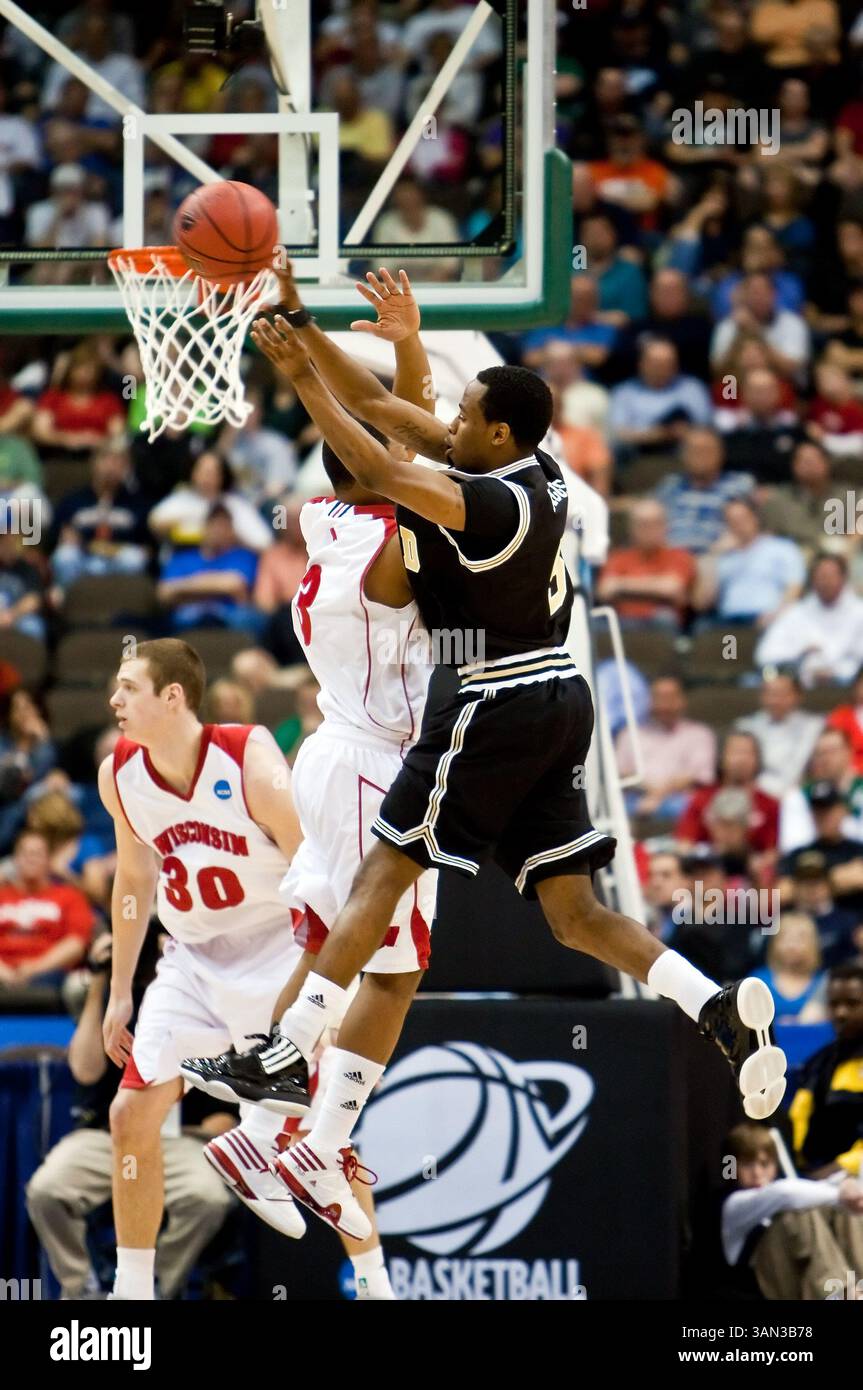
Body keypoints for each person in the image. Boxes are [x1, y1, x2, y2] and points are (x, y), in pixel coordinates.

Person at [181, 262, 787, 1242]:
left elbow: (377, 464)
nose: (449, 419)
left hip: (492, 700)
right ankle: (707, 1001)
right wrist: (319, 328)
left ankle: (288, 1053)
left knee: (386, 872)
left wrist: (296, 378)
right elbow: (387, 407)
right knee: (572, 912)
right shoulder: (526, 469)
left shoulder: (470, 504)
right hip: (561, 698)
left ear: (494, 433)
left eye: (465, 412)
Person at [98, 637, 308, 1300]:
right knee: (130, 1114)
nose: (113, 699)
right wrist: (120, 993)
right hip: (190, 960)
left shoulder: (247, 755)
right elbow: (133, 882)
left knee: (327, 1138)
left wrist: (323, 974)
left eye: (128, 687)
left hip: (275, 950)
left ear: (171, 696)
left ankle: (371, 1277)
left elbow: (312, 863)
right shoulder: (119, 774)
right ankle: (131, 1298)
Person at [25, 926, 237, 1301]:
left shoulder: (207, 1005)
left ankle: (156, 1286)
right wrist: (101, 982)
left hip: (178, 1137)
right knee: (46, 1190)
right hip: (103, 1138)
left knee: (207, 1199)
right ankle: (82, 1289)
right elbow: (85, 1070)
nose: (150, 956)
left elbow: (224, 1117)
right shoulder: (115, 1001)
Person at [720, 1122, 863, 1301]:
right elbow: (785, 1193)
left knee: (842, 1208)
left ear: (774, 1165)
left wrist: (845, 1188)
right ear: (731, 1167)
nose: (757, 1173)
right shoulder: (735, 1204)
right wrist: (839, 1194)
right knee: (798, 1212)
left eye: (764, 1164)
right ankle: (842, 1296)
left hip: (803, 1280)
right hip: (769, 1284)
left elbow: (813, 1190)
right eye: (747, 1165)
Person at [789, 962, 863, 1181]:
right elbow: (798, 1123)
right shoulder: (817, 1063)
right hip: (815, 1177)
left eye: (852, 1004)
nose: (841, 1013)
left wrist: (837, 1169)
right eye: (834, 1004)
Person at [0, 829, 93, 993]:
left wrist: (36, 967)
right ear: (15, 859)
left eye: (36, 854)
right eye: (25, 853)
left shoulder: (69, 896)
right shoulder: (2, 895)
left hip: (52, 973)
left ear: (48, 860)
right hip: (3, 971)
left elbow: (76, 944)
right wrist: (4, 972)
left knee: (80, 984)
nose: (30, 859)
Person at [755, 553, 863, 687]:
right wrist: (801, 654)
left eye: (830, 576)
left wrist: (837, 670)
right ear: (812, 580)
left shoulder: (859, 612)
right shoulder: (795, 612)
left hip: (850, 683)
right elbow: (765, 655)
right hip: (801, 683)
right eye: (820, 577)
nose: (825, 582)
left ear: (843, 578)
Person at [615, 675, 716, 818]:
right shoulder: (629, 734)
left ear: (682, 700)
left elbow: (698, 775)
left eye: (670, 698)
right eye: (658, 698)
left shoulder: (700, 734)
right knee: (616, 810)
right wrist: (650, 791)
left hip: (680, 800)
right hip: (637, 798)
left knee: (694, 806)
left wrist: (658, 795)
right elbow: (622, 773)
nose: (664, 705)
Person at [596, 500, 696, 630]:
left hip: (661, 623)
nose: (649, 530)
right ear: (631, 528)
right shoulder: (618, 557)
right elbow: (605, 590)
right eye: (643, 524)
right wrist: (655, 587)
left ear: (666, 526)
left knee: (664, 617)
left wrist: (621, 585)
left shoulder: (679, 556)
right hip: (622, 621)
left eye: (655, 523)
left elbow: (672, 588)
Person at [652, 428, 753, 555]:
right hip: (671, 558)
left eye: (706, 451)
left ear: (721, 454)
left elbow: (748, 528)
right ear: (683, 455)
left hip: (719, 556)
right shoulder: (669, 485)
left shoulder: (739, 484)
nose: (700, 456)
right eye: (694, 451)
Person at [734, 672, 823, 798]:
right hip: (757, 795)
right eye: (770, 694)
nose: (776, 700)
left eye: (783, 694)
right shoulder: (746, 727)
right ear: (761, 696)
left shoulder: (814, 726)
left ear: (798, 696)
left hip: (802, 793)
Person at [752, 913, 827, 1024]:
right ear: (774, 943)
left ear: (813, 944)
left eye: (800, 939)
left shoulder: (824, 982)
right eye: (785, 938)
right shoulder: (758, 980)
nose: (791, 945)